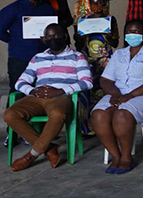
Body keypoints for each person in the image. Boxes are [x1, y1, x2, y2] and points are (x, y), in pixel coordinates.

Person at [4, 24, 92, 171]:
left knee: (58, 115)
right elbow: (20, 82)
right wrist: (32, 91)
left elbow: (87, 82)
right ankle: (49, 148)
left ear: (64, 36)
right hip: (37, 96)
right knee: (10, 114)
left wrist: (60, 91)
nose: (52, 39)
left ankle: (32, 155)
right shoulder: (38, 58)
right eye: (48, 37)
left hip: (61, 97)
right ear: (43, 39)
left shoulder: (77, 57)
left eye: (56, 35)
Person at [90, 20, 143, 174]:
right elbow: (105, 79)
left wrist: (130, 95)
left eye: (137, 32)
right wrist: (115, 94)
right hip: (118, 93)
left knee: (122, 115)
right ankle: (115, 155)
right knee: (98, 114)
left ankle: (126, 158)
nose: (133, 35)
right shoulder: (119, 54)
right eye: (130, 32)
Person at [0, 0, 57, 93]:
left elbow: (54, 30)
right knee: (17, 90)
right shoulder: (13, 8)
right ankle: (12, 111)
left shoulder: (47, 9)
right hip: (20, 57)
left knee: (43, 90)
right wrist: (15, 40)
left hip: (44, 57)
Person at [73, 0, 119, 133]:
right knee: (88, 92)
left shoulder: (110, 20)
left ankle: (107, 126)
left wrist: (109, 35)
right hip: (88, 60)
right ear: (89, 5)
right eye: (93, 3)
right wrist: (79, 35)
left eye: (99, 3)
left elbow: (115, 42)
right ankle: (88, 128)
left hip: (106, 61)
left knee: (106, 91)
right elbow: (78, 44)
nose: (96, 6)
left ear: (104, 4)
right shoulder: (82, 20)